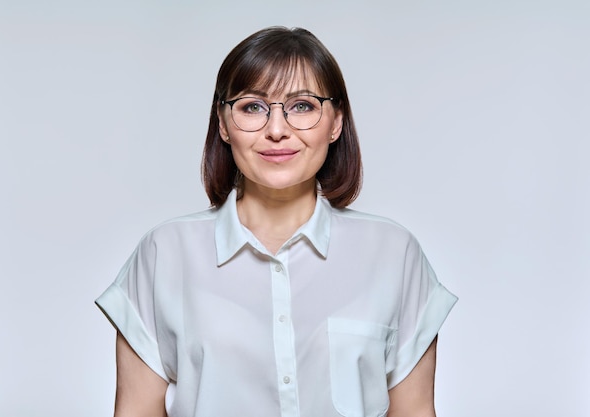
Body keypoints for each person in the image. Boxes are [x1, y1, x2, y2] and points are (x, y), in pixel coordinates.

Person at [96, 26, 457, 417]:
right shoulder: (164, 253)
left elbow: (414, 411)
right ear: (223, 124)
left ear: (335, 122)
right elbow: (136, 410)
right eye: (252, 106)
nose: (277, 129)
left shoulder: (393, 253)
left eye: (303, 105)